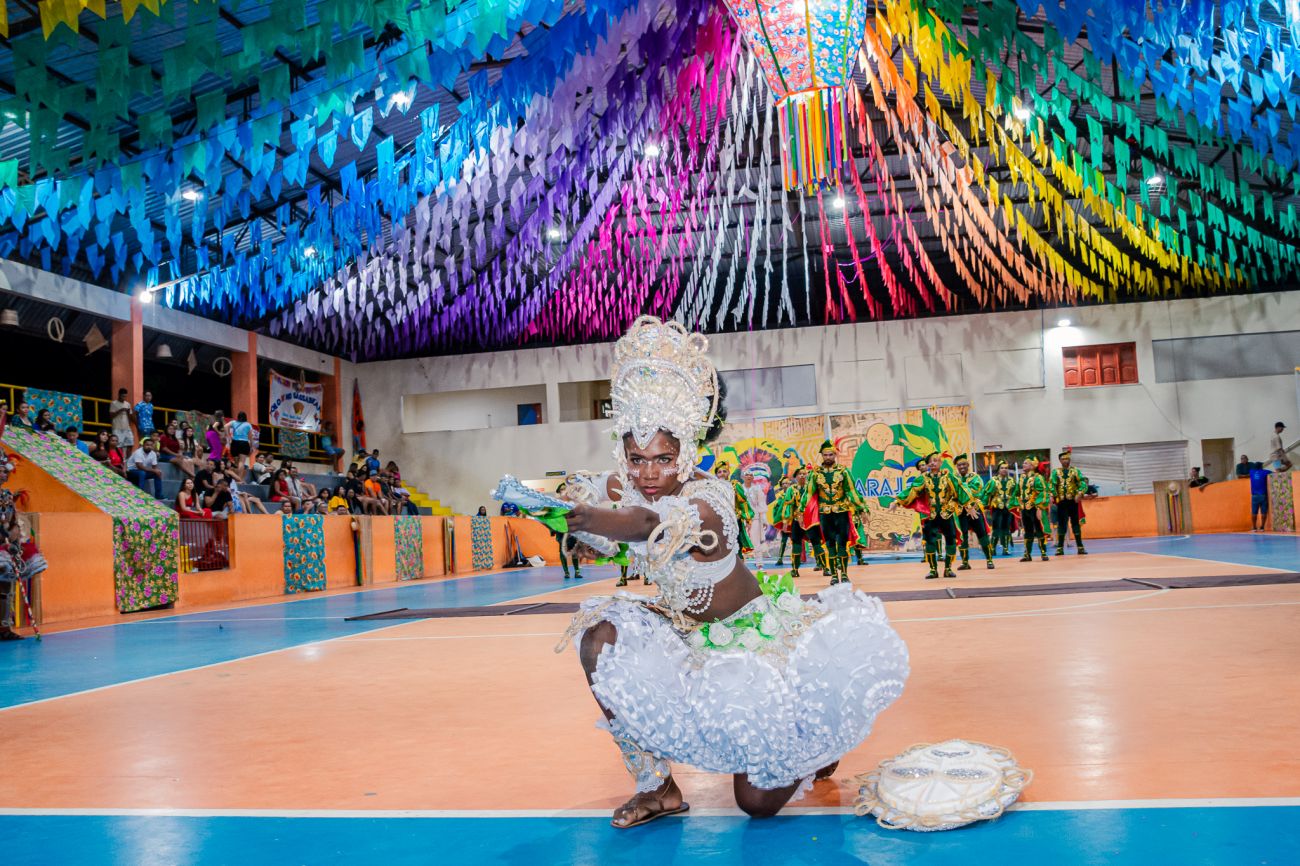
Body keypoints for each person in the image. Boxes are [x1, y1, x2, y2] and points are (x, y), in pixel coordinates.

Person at [558, 316, 908, 827]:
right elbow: (596, 490)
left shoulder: (708, 500)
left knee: (756, 804)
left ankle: (812, 742)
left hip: (749, 649)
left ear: (687, 451)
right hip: (682, 632)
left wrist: (590, 519)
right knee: (599, 637)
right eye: (636, 459)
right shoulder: (630, 484)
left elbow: (647, 523)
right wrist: (563, 502)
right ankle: (656, 787)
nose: (649, 473)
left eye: (663, 458)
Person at [802, 440, 865, 585]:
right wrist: (801, 511)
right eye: (825, 455)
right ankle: (834, 576)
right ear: (822, 456)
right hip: (825, 514)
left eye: (830, 455)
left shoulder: (843, 471)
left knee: (842, 544)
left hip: (841, 512)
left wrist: (862, 508)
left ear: (835, 455)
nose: (828, 457)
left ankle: (844, 574)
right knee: (830, 545)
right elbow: (809, 493)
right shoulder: (815, 473)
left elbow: (851, 491)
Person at [0, 455, 48, 641]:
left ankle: (4, 628)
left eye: (5, 471)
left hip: (5, 544)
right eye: (1, 471)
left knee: (6, 586)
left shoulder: (6, 495)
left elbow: (12, 520)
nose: (5, 474)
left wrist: (14, 534)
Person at [898, 453, 966, 579]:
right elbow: (912, 490)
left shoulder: (948, 476)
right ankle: (933, 570)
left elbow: (960, 489)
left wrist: (970, 505)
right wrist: (898, 501)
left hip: (947, 514)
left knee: (951, 541)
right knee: (930, 541)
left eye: (936, 460)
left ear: (941, 462)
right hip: (931, 515)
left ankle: (948, 569)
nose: (933, 463)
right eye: (930, 461)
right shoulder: (923, 478)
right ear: (928, 464)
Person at [952, 454, 995, 570]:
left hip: (974, 510)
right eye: (959, 465)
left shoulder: (975, 477)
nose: (961, 467)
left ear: (968, 465)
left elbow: (975, 492)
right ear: (956, 467)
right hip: (961, 511)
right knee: (963, 536)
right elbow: (953, 493)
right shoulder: (954, 478)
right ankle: (965, 562)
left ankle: (989, 560)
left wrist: (966, 501)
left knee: (982, 534)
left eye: (963, 464)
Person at [787, 465, 828, 578]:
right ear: (795, 477)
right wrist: (786, 521)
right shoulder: (791, 489)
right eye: (799, 474)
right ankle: (795, 570)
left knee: (816, 542)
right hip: (797, 520)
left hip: (810, 520)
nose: (802, 476)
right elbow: (788, 506)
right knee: (796, 543)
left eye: (804, 474)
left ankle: (825, 568)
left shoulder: (812, 488)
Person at [1048, 447, 1088, 555]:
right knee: (1062, 524)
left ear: (1069, 460)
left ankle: (1080, 547)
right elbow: (1051, 484)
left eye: (1067, 459)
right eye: (1063, 459)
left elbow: (1082, 483)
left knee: (1075, 523)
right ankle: (1060, 548)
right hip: (1061, 502)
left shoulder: (1075, 471)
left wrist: (1080, 493)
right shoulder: (1055, 472)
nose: (1065, 460)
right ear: (1060, 461)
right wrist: (1052, 495)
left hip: (1073, 502)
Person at [714, 463, 755, 555]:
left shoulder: (734, 485)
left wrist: (748, 518)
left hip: (734, 518)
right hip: (719, 519)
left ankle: (739, 562)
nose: (722, 473)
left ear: (728, 473)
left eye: (724, 471)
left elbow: (743, 503)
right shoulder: (714, 487)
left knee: (737, 542)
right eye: (719, 472)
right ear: (716, 475)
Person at [1017, 457, 1050, 562]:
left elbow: (1043, 492)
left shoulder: (1038, 478)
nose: (1023, 464)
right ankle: (1027, 554)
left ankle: (1043, 553)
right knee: (1027, 531)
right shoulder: (1022, 477)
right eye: (1023, 463)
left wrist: (1039, 508)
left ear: (1032, 466)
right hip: (1024, 509)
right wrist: (1016, 504)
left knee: (1039, 529)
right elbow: (1017, 492)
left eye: (1026, 463)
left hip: (1034, 508)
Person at [982, 461, 1018, 556]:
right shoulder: (993, 481)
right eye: (1002, 468)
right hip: (997, 507)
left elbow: (1015, 493)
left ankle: (1005, 549)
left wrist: (1016, 504)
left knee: (1006, 528)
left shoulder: (1012, 481)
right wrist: (983, 504)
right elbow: (986, 493)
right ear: (998, 470)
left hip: (1008, 507)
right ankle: (992, 548)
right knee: (996, 528)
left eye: (1006, 468)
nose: (1004, 469)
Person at [770, 477, 795, 566]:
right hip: (784, 522)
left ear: (790, 484)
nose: (785, 485)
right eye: (783, 483)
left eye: (787, 483)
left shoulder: (794, 494)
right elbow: (777, 508)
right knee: (783, 540)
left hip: (793, 520)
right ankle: (780, 558)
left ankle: (795, 558)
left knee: (795, 540)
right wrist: (778, 520)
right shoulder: (780, 496)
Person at [1250, 462, 1272, 531]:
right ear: (1261, 467)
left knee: (1254, 512)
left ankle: (1254, 527)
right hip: (1263, 495)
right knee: (1263, 512)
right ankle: (1262, 527)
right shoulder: (1265, 472)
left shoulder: (1251, 472)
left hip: (1254, 496)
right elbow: (1274, 473)